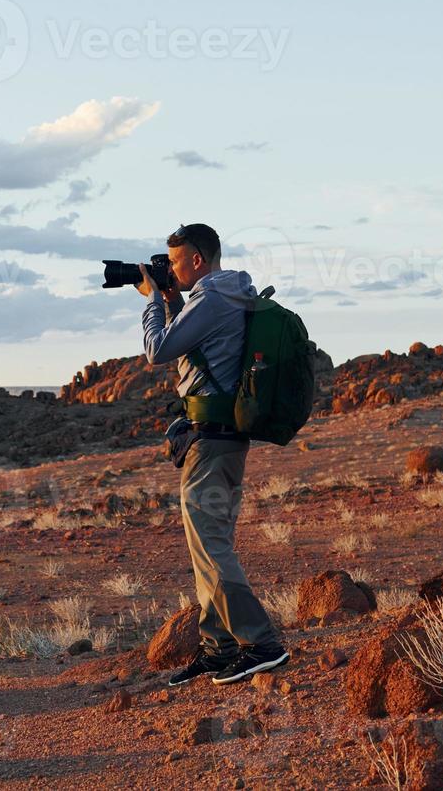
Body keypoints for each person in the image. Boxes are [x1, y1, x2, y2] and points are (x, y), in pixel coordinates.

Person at [136, 223, 289, 686]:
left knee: (213, 547)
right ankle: (218, 646)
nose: (172, 270)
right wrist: (167, 299)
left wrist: (150, 302)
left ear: (198, 260)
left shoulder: (214, 297)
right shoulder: (224, 294)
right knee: (206, 547)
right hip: (219, 438)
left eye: (176, 262)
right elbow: (192, 340)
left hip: (214, 442)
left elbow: (157, 350)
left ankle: (260, 644)